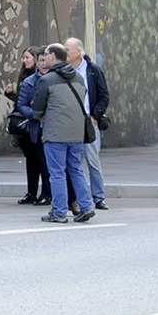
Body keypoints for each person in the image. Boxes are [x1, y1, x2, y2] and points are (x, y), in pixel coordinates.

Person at [32, 43, 95, 224]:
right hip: (76, 132)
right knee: (76, 169)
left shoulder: (47, 80)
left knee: (57, 172)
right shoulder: (78, 77)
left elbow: (37, 108)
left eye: (46, 55)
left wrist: (42, 116)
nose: (44, 59)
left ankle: (59, 212)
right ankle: (86, 206)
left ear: (53, 56)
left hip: (55, 133)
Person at [65, 37, 109, 211]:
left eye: (68, 50)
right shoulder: (65, 71)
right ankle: (75, 198)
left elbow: (104, 96)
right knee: (73, 162)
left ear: (78, 51)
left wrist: (95, 117)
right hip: (71, 122)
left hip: (89, 121)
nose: (66, 53)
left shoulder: (92, 70)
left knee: (92, 159)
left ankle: (98, 197)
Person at [10, 47, 50, 206]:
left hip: (55, 128)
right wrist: (36, 114)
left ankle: (49, 193)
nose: (43, 64)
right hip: (34, 128)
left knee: (48, 163)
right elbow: (21, 103)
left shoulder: (57, 79)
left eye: (45, 60)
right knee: (35, 160)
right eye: (40, 60)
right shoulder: (29, 81)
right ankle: (34, 192)